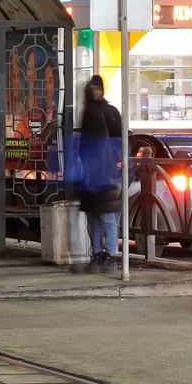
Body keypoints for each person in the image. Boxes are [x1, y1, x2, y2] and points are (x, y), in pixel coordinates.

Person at [78, 75, 122, 272]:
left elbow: (84, 146)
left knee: (98, 216)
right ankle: (108, 255)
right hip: (106, 172)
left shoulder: (92, 113)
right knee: (104, 215)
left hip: (96, 172)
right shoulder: (111, 112)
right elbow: (120, 142)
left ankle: (102, 255)